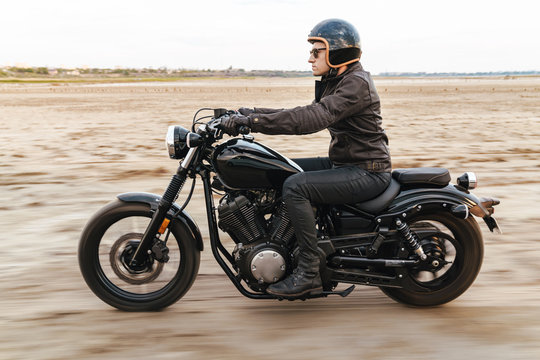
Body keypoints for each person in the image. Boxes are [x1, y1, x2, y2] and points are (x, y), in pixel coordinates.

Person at [222, 18, 392, 298]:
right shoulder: (338, 80)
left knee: (295, 186)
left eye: (317, 51)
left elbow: (310, 119)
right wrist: (246, 112)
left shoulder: (355, 84)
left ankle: (308, 271)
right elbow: (300, 110)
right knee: (282, 170)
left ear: (338, 52)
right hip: (345, 163)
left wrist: (251, 121)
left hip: (367, 170)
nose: (310, 57)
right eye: (311, 51)